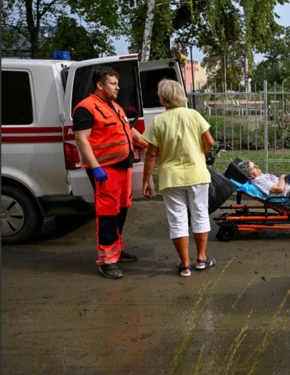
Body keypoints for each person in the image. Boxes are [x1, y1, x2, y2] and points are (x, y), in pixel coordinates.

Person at [73, 66, 148, 280]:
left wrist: (147, 144)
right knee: (107, 214)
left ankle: (116, 249)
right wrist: (95, 167)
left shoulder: (114, 106)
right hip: (104, 170)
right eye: (113, 84)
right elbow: (81, 139)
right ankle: (107, 261)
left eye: (117, 83)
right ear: (100, 85)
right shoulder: (86, 108)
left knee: (121, 210)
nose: (118, 87)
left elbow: (128, 131)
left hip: (122, 167)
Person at [141, 79, 216, 278]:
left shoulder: (158, 121)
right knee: (200, 215)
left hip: (171, 178)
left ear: (162, 98)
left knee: (177, 220)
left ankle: (184, 265)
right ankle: (201, 258)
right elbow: (209, 141)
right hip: (197, 174)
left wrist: (146, 180)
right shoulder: (194, 115)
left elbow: (151, 155)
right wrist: (200, 154)